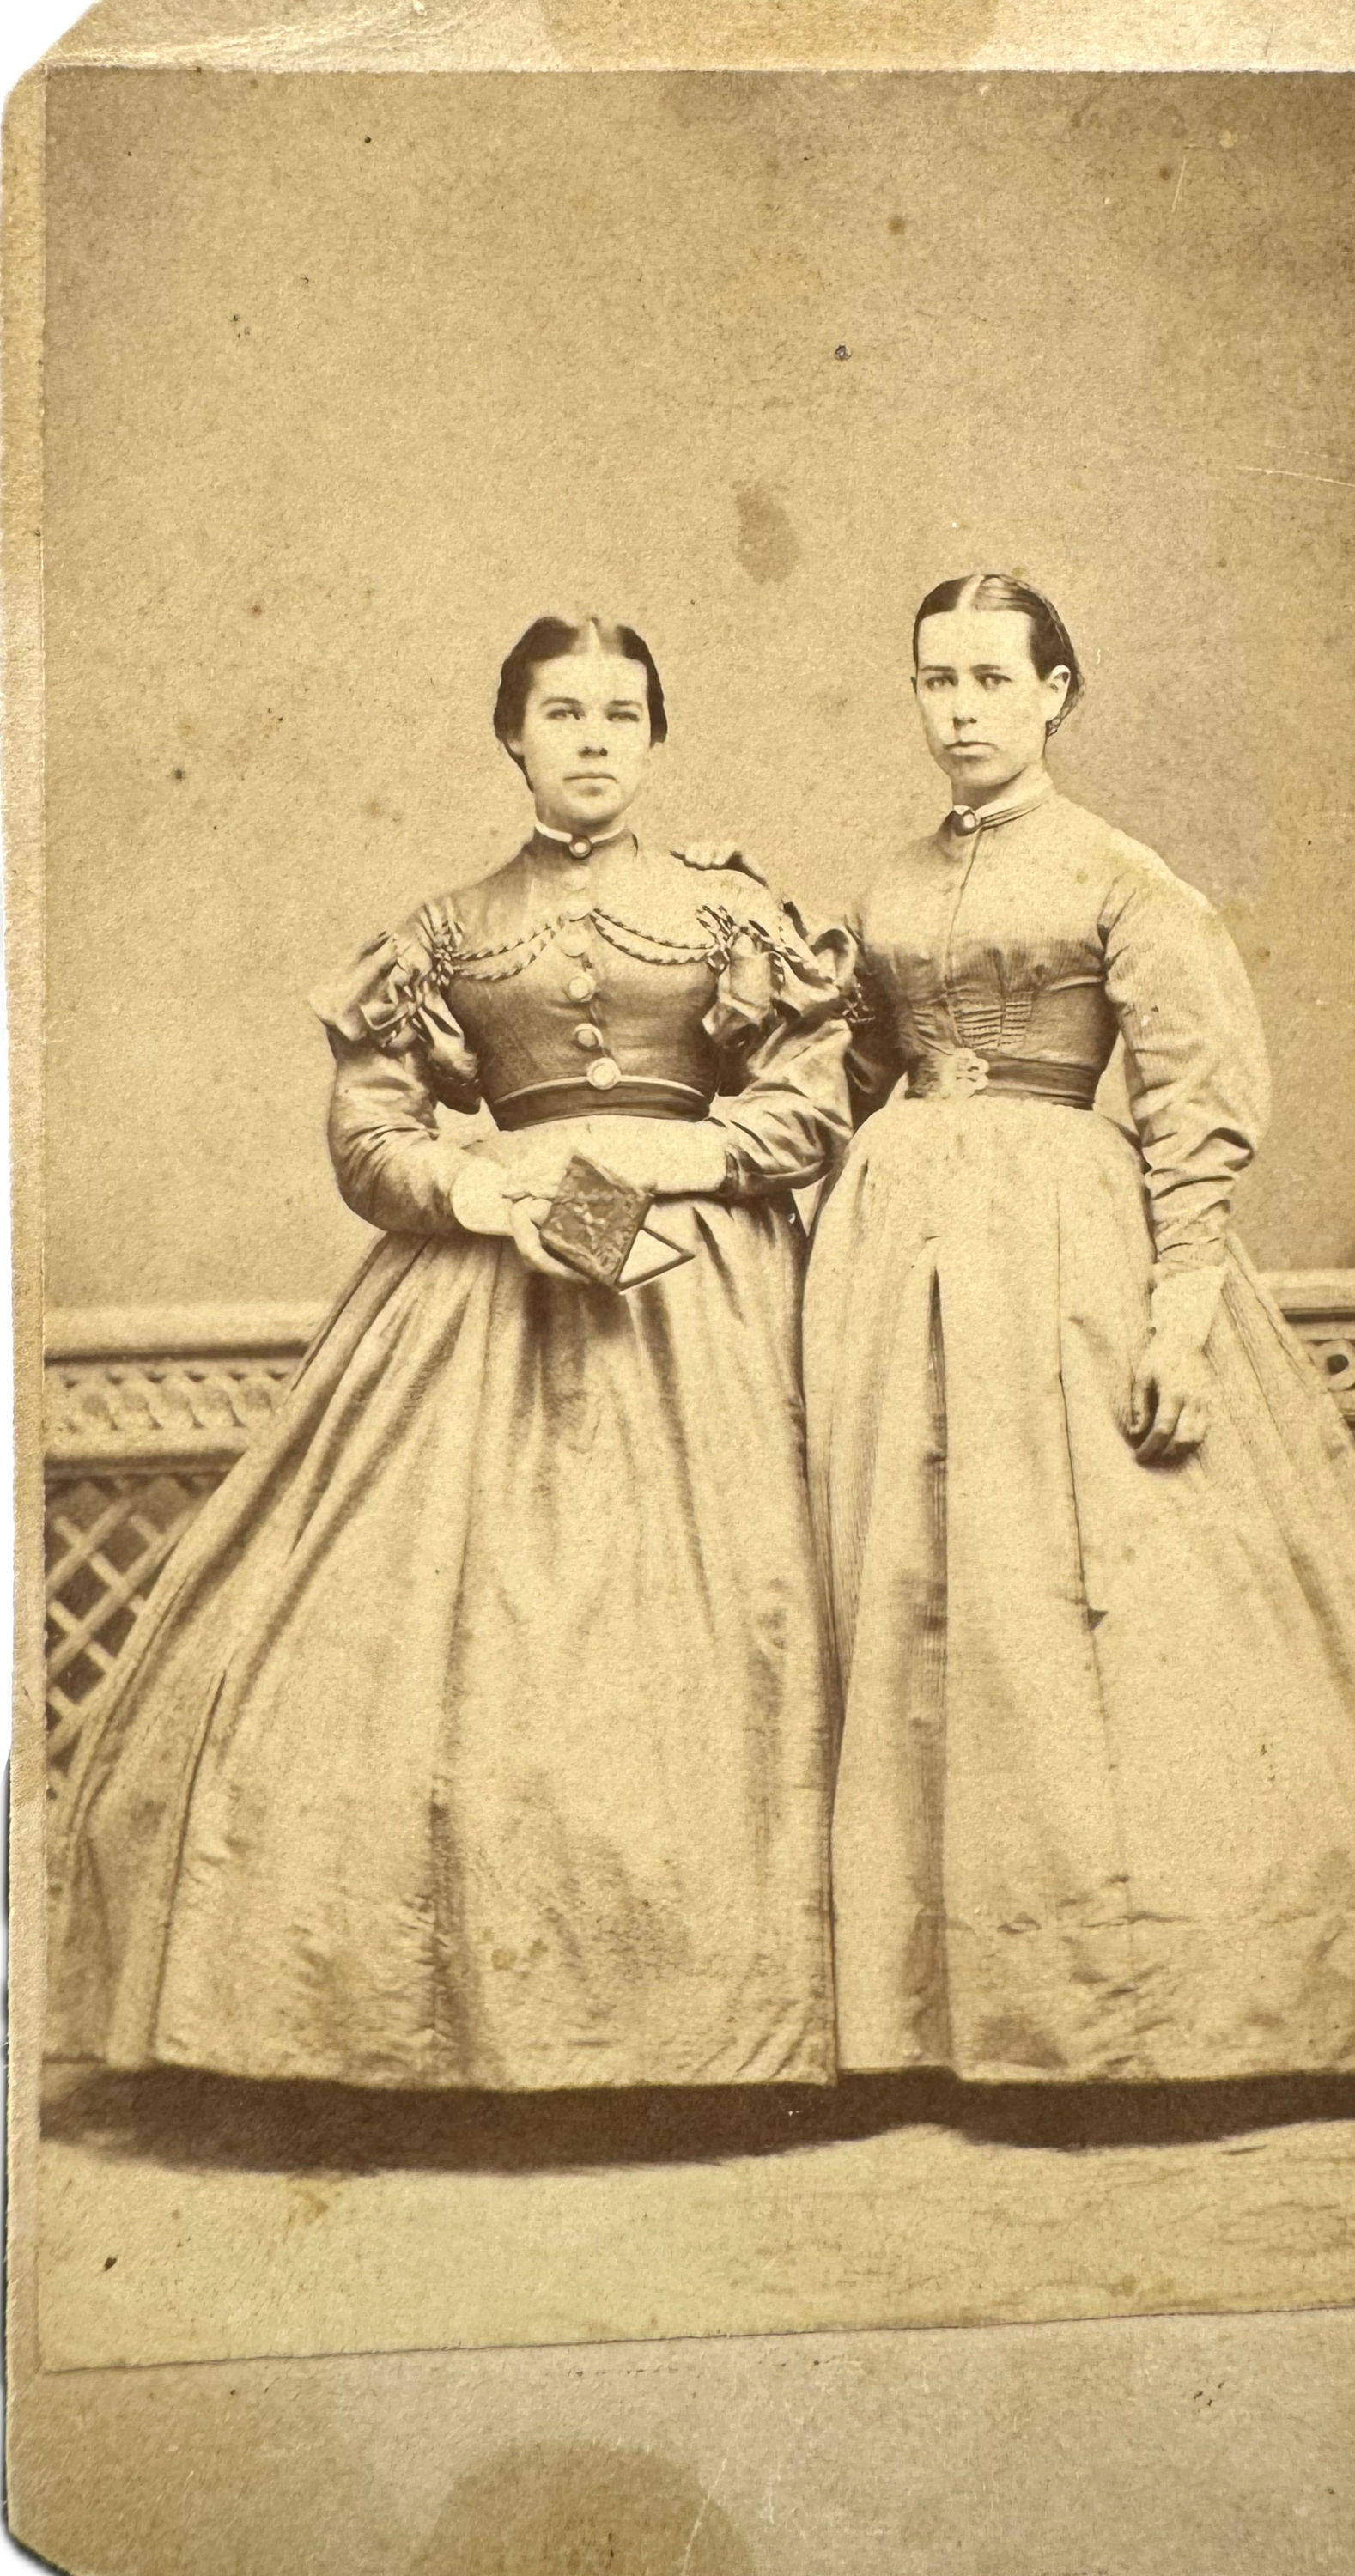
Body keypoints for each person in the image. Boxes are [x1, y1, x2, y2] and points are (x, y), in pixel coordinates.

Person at [52, 614, 853, 2093]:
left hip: (710, 1300)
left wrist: (681, 1163)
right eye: (562, 714)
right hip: (486, 1289)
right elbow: (369, 1139)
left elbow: (813, 1102)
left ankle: (731, 2036)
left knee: (742, 1627)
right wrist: (484, 1190)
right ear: (512, 737)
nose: (595, 739)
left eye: (622, 712)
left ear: (658, 736)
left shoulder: (734, 917)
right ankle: (457, 2037)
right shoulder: (440, 931)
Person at [804, 572, 1355, 2087]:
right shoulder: (880, 886)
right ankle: (923, 2016)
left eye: (994, 681)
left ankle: (1120, 2017)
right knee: (914, 1595)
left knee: (1066, 1607)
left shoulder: (1126, 879)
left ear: (1055, 692)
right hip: (890, 1260)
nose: (962, 712)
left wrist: (1177, 1319)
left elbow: (1196, 1115)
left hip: (1063, 1247)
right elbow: (844, 1078)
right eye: (937, 683)